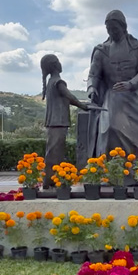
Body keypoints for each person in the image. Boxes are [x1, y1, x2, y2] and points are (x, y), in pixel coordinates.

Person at [87, 9, 138, 158]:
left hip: (136, 96)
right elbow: (93, 74)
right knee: (110, 129)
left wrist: (131, 84)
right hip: (113, 97)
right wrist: (91, 88)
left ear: (123, 27)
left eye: (115, 29)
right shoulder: (101, 51)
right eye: (108, 29)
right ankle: (111, 172)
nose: (111, 32)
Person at [40, 54, 89, 189]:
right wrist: (84, 106)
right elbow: (70, 97)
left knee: (53, 151)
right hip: (58, 121)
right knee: (55, 152)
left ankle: (51, 180)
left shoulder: (51, 82)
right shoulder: (58, 82)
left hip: (54, 122)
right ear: (55, 65)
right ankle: (50, 180)